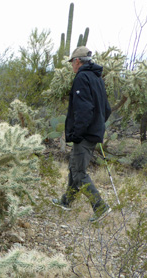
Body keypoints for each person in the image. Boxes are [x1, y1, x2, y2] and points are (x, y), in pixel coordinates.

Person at [52, 46, 112, 223]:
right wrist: (97, 125)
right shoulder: (97, 78)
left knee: (78, 172)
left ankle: (99, 206)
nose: (72, 65)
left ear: (77, 61)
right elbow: (106, 109)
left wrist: (77, 133)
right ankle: (67, 201)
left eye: (72, 62)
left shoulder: (82, 78)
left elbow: (83, 110)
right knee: (74, 167)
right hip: (93, 132)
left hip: (85, 134)